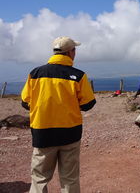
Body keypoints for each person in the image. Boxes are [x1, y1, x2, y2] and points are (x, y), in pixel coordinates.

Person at [21, 36, 96, 193]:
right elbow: (88, 104)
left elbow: (25, 102)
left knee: (39, 178)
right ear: (70, 52)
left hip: (43, 133)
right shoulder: (79, 76)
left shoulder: (35, 74)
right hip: (70, 133)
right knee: (70, 179)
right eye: (74, 50)